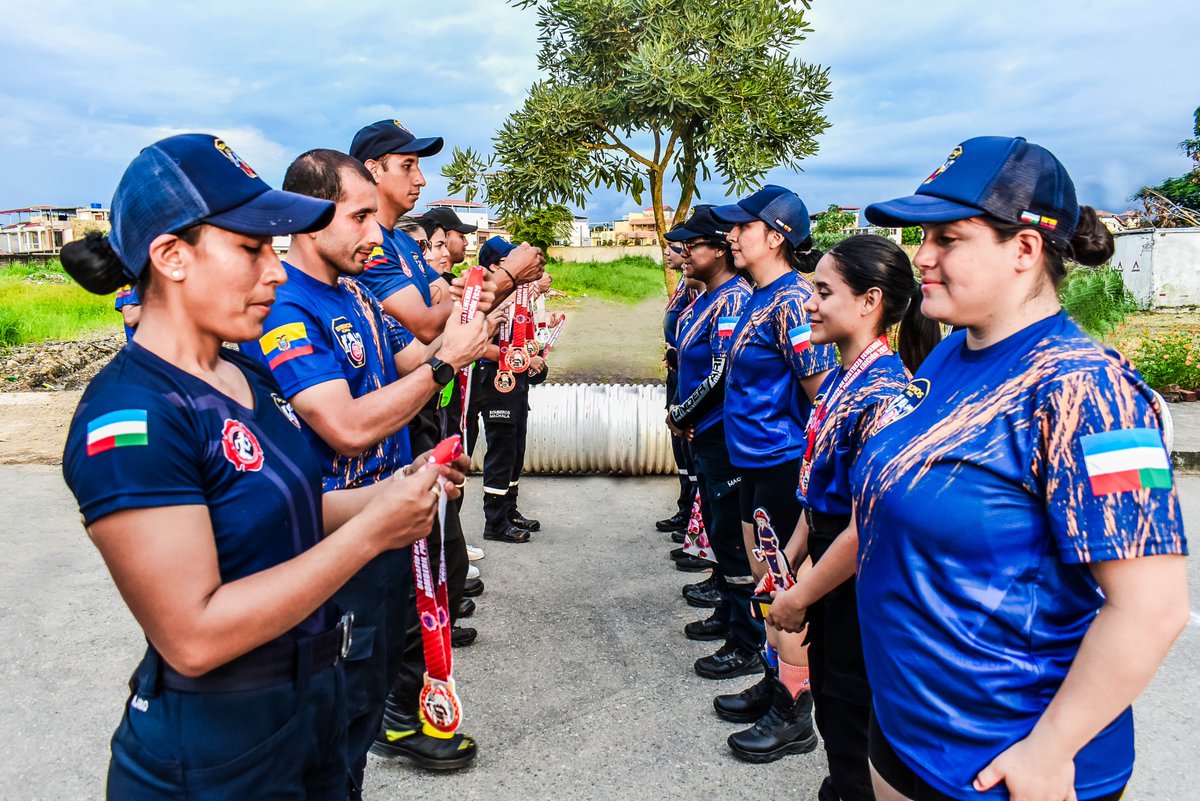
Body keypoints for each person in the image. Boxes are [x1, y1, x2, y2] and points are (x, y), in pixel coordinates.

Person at [59, 133, 465, 799]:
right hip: (221, 750)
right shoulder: (131, 418)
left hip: (308, 705)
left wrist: (390, 493)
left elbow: (289, 506)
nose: (275, 271)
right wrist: (370, 533)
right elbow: (192, 634)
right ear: (171, 257)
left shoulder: (242, 370)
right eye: (251, 249)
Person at [854, 136, 1188, 801]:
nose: (921, 255)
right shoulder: (949, 356)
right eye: (923, 236)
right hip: (907, 731)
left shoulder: (1092, 394)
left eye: (947, 238)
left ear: (1026, 249)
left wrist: (1052, 746)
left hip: (1002, 764)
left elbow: (1153, 607)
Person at [238, 148, 490, 789]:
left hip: (383, 524)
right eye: (359, 218)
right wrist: (447, 363)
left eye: (375, 218)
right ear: (307, 219)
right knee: (328, 709)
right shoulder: (285, 306)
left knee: (366, 688)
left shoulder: (354, 291)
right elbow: (345, 426)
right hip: (329, 541)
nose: (376, 235)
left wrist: (470, 329)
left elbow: (410, 363)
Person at [764, 235, 940, 791]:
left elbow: (871, 524)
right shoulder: (843, 377)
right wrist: (791, 550)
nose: (808, 304)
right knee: (835, 708)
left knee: (852, 712)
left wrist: (801, 593)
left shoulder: (887, 395)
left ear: (869, 302)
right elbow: (820, 482)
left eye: (822, 291)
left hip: (856, 578)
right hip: (827, 564)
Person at [708, 185, 836, 757]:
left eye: (743, 227)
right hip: (752, 463)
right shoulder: (761, 296)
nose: (731, 236)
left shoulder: (792, 301)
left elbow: (822, 395)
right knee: (767, 583)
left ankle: (795, 714)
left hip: (783, 464)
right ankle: (774, 678)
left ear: (777, 235)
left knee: (787, 588)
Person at [664, 206, 757, 662]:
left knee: (733, 536)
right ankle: (728, 608)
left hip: (720, 429)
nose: (683, 252)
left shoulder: (734, 300)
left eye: (692, 245)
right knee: (720, 529)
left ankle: (745, 638)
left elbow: (721, 373)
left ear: (720, 251)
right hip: (703, 429)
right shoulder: (705, 297)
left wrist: (683, 410)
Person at [657, 241, 700, 539]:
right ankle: (686, 510)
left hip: (694, 379)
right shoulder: (686, 284)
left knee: (694, 449)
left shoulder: (708, 290)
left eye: (676, 247)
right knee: (681, 448)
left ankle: (697, 523)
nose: (672, 254)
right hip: (679, 373)